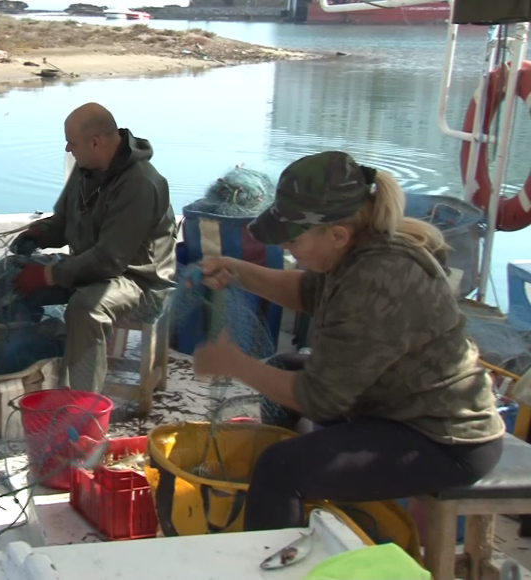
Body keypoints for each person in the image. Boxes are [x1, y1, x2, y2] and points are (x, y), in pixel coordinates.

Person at [190, 151, 505, 532]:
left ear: (337, 235)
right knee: (285, 368)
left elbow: (319, 399)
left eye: (292, 238)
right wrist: (238, 270)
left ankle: (286, 528)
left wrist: (234, 363)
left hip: (443, 438)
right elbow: (308, 291)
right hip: (392, 404)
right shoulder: (356, 250)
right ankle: (302, 505)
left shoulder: (378, 277)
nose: (286, 246)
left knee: (278, 468)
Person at [0, 102, 177, 393]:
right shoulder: (87, 167)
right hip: (87, 267)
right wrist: (38, 234)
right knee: (9, 273)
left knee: (86, 308)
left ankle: (83, 406)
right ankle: (19, 368)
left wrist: (47, 276)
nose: (68, 150)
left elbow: (110, 260)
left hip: (140, 282)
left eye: (72, 143)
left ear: (95, 142)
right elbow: (64, 221)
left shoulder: (142, 184)